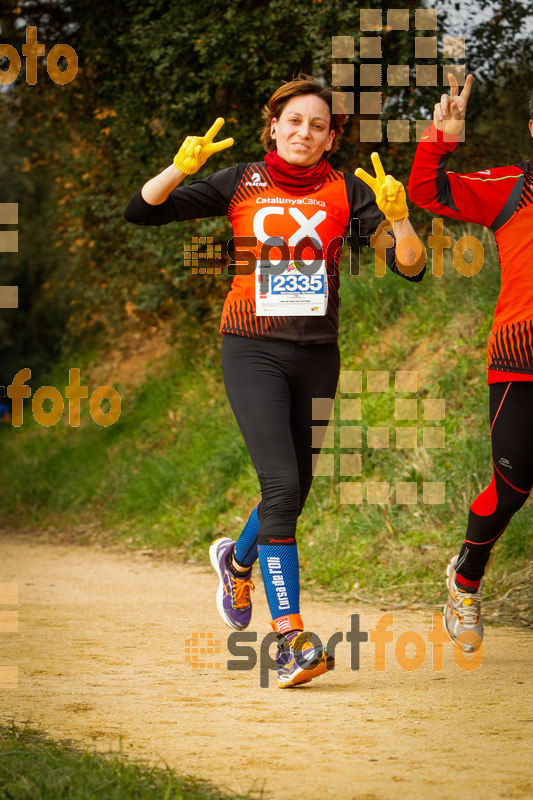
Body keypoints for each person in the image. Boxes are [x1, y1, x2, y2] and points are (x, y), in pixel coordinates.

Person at [125, 74, 424, 687]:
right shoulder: (241, 181)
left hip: (318, 355)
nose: (303, 133)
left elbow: (412, 268)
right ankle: (291, 641)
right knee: (281, 486)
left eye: (318, 125)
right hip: (251, 347)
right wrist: (178, 169)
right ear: (274, 127)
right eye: (293, 121)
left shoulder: (347, 191)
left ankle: (236, 562)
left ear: (331, 137)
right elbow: (142, 212)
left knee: (296, 489)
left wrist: (401, 219)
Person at [409, 73, 533, 652]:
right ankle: (465, 580)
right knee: (510, 488)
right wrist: (442, 137)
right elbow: (427, 193)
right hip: (520, 362)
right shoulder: (513, 187)